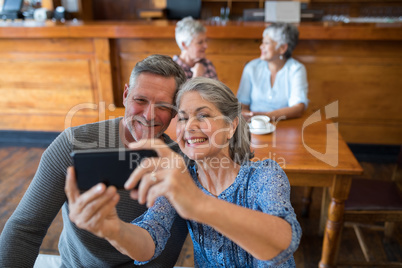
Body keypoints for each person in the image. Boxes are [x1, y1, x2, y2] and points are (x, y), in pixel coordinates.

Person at [65, 77, 302, 267]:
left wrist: (198, 203)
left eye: (203, 115)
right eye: (183, 118)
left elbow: (283, 244)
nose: (189, 127)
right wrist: (113, 229)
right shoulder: (181, 178)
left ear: (231, 126)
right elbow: (149, 242)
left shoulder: (264, 175)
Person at [0, 55, 189, 267]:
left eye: (163, 106)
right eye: (140, 100)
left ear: (174, 112)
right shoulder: (74, 144)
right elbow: (25, 229)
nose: (148, 115)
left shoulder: (184, 162)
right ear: (126, 95)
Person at [237, 22, 308, 121]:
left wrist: (263, 117)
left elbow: (298, 108)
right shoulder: (251, 67)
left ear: (282, 48)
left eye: (266, 43)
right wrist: (247, 115)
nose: (261, 46)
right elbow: (241, 105)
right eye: (262, 42)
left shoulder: (296, 69)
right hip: (255, 126)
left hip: (286, 126)